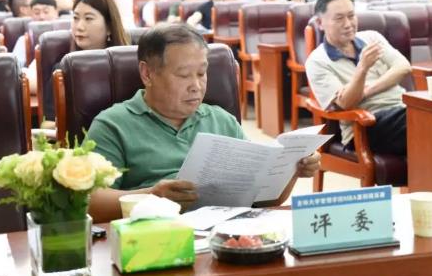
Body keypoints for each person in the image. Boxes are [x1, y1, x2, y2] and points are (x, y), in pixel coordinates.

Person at [86, 23, 322, 221]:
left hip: (226, 235)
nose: (196, 86)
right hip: (155, 236)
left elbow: (264, 200)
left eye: (201, 73)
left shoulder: (221, 120)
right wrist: (152, 197)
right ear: (147, 74)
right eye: (183, 75)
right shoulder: (113, 125)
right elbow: (90, 202)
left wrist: (292, 171)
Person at [305, 0, 411, 157]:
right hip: (365, 126)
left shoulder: (371, 38)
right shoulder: (317, 61)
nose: (348, 24)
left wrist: (366, 90)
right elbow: (346, 103)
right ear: (320, 23)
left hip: (401, 109)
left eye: (351, 16)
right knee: (424, 120)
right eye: (339, 18)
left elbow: (403, 67)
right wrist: (362, 68)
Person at [24, 0, 130, 120]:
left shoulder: (129, 66)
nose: (79, 26)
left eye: (88, 18)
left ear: (109, 26)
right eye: (75, 18)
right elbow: (50, 121)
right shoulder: (63, 69)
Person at [12, 0, 59, 68]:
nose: (42, 17)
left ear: (56, 13)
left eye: (46, 12)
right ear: (31, 15)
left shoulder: (66, 37)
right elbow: (16, 67)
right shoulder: (25, 40)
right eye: (37, 13)